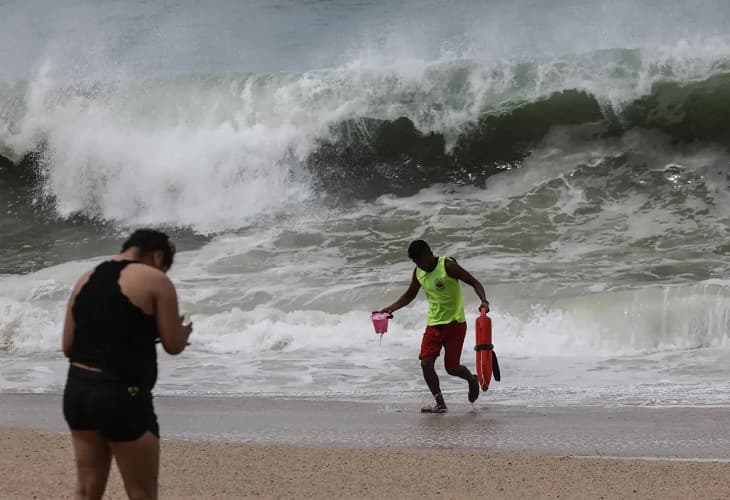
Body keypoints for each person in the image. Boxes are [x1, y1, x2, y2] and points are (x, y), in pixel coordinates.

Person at [61, 229, 193, 500]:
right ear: (158, 256)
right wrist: (182, 332)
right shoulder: (156, 280)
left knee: (86, 492)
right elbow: (173, 345)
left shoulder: (86, 278)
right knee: (141, 492)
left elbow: (68, 346)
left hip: (78, 391)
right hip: (121, 396)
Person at [379, 240, 489, 413]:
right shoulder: (419, 272)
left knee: (452, 368)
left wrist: (484, 301)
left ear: (430, 253)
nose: (420, 265)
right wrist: (391, 308)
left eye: (421, 260)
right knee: (425, 363)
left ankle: (471, 379)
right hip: (434, 324)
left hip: (455, 324)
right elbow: (409, 295)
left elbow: (474, 282)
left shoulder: (447, 266)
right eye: (416, 262)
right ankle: (440, 402)